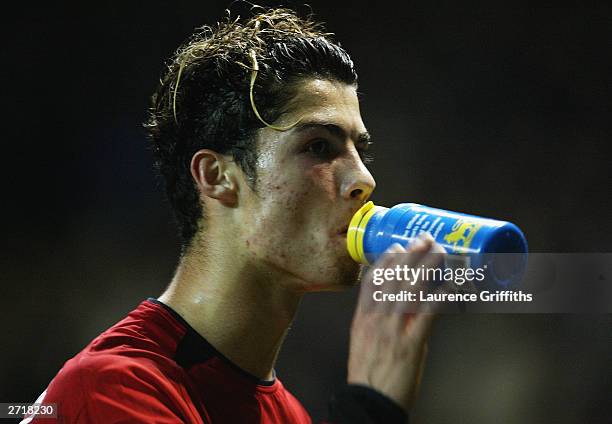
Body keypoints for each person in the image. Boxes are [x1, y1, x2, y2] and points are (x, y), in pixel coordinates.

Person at [24, 7, 445, 424]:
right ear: (217, 177)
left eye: (361, 151)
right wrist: (370, 411)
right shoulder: (111, 389)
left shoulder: (290, 416)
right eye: (319, 146)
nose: (364, 178)